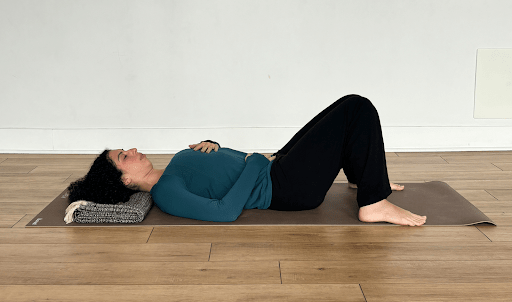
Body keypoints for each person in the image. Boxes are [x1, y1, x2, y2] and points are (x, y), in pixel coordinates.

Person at [66, 94, 427, 226]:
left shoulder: (175, 163)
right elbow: (224, 211)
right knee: (356, 108)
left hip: (274, 167)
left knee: (338, 111)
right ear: (125, 180)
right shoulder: (165, 193)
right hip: (285, 188)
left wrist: (213, 144)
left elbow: (217, 169)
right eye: (123, 157)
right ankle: (373, 201)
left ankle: (367, 177)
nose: (131, 150)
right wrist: (254, 164)